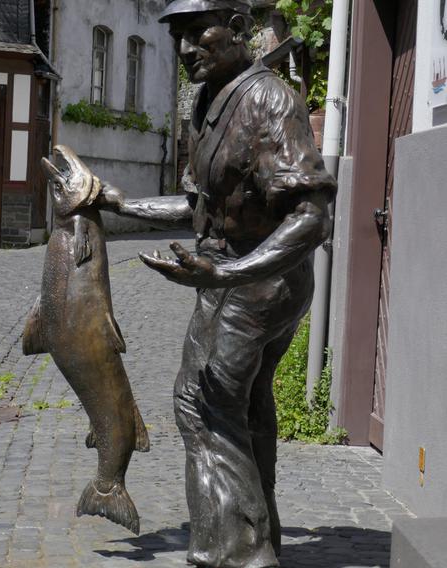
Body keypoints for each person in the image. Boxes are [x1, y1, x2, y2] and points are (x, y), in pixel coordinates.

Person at [64, 1, 336, 566]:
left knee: (203, 403)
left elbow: (311, 216)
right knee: (245, 401)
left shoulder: (270, 100)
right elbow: (199, 205)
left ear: (237, 30)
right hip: (231, 277)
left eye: (197, 33)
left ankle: (235, 552)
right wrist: (119, 202)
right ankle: (259, 532)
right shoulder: (211, 100)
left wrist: (227, 272)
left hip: (260, 282)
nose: (186, 48)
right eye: (178, 37)